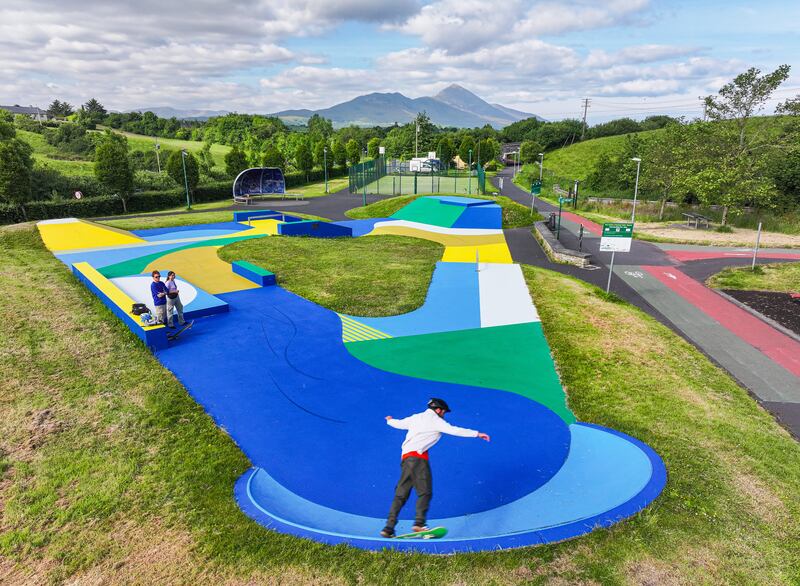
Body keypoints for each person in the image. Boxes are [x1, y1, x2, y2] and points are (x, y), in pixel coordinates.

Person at [381, 398, 490, 538]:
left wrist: (390, 420)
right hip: (418, 459)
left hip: (406, 459)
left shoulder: (416, 417)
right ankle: (419, 524)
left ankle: (388, 528)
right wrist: (477, 434)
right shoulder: (436, 421)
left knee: (401, 494)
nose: (444, 415)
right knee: (425, 492)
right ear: (438, 410)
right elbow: (454, 430)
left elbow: (399, 423)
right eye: (443, 412)